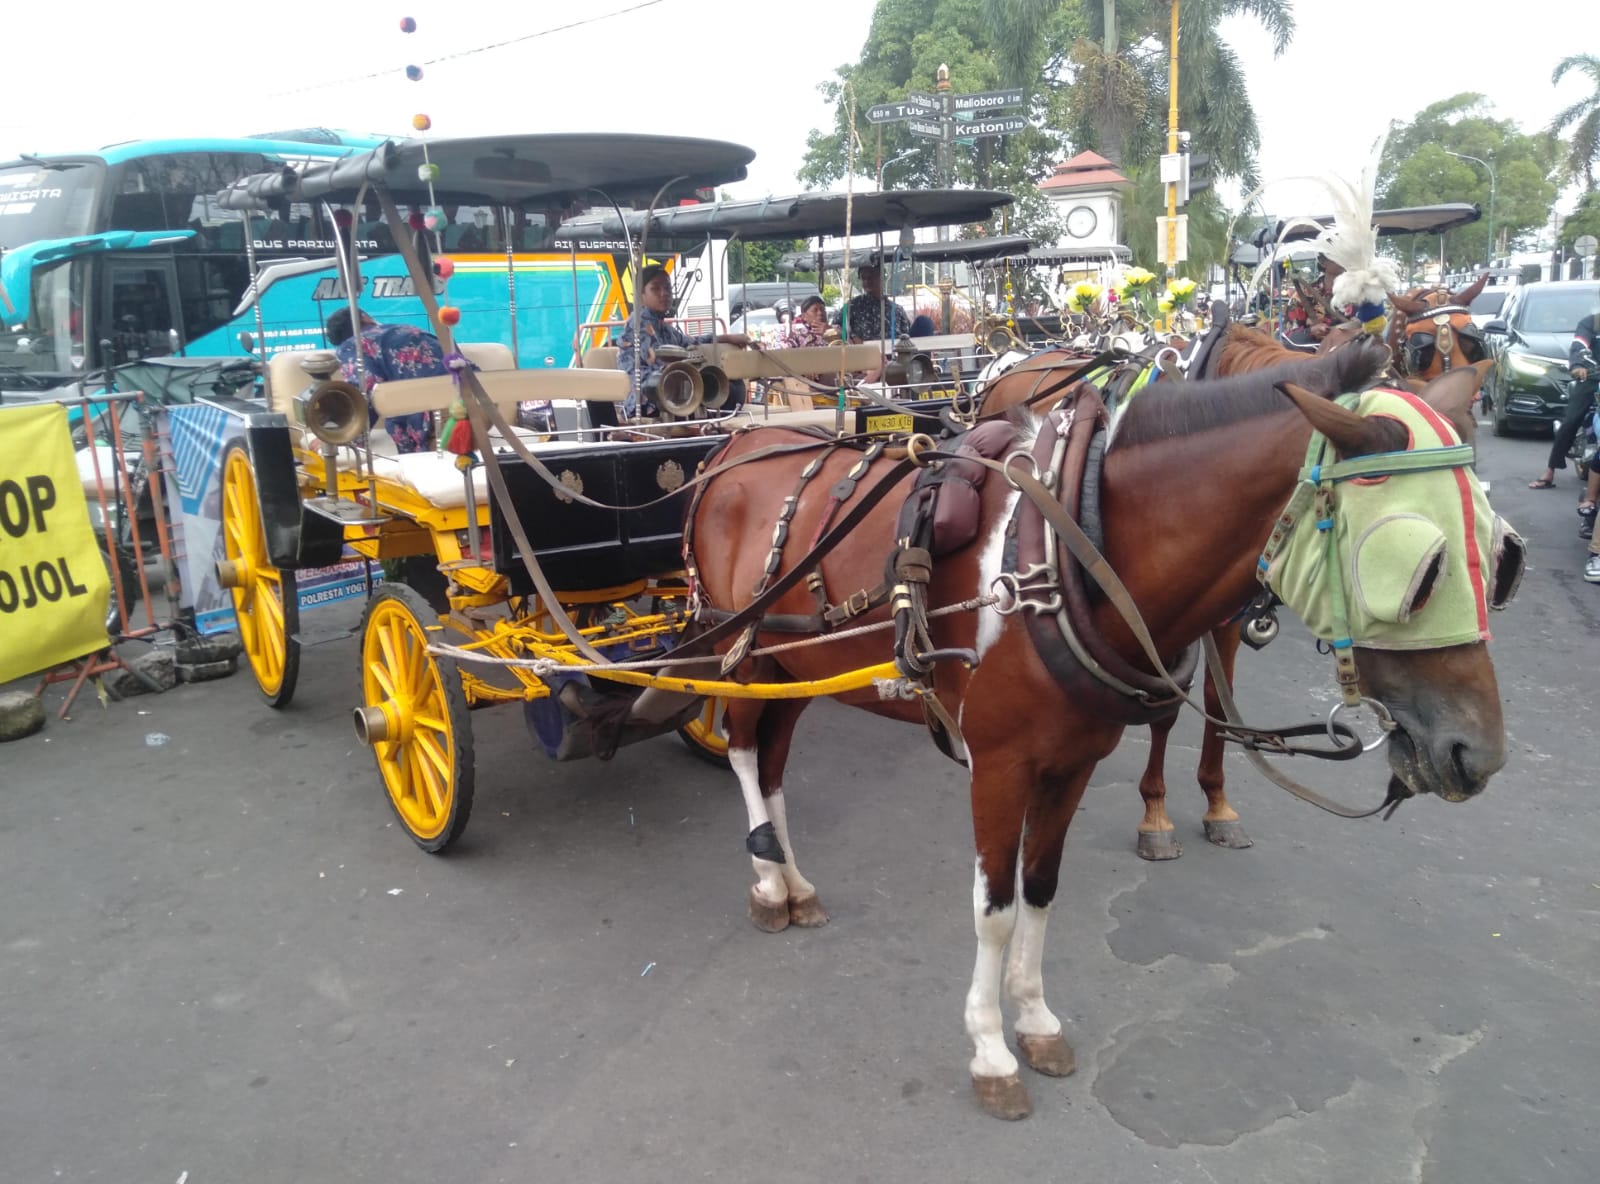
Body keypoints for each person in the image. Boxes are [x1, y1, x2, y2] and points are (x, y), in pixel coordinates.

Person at [615, 264, 749, 418]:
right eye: (656, 289)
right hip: (647, 399)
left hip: (670, 390)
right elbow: (663, 367)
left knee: (732, 387)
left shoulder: (662, 326)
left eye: (667, 288)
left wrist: (727, 337)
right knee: (729, 390)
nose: (664, 293)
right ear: (641, 296)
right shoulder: (639, 325)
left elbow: (689, 341)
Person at [325, 306, 443, 454]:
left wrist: (341, 435)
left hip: (434, 415)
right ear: (365, 317)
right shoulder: (405, 328)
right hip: (470, 393)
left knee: (394, 417)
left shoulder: (351, 346)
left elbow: (364, 390)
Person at [1529, 297, 1598, 490]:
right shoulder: (1591, 323)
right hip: (1593, 377)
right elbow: (1579, 345)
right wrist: (1578, 365)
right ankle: (1550, 470)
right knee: (1571, 420)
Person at [837, 258, 912, 344]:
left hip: (894, 354)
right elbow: (836, 329)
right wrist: (852, 337)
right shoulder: (852, 307)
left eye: (872, 276)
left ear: (882, 276)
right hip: (864, 354)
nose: (867, 281)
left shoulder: (897, 310)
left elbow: (907, 338)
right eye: (863, 278)